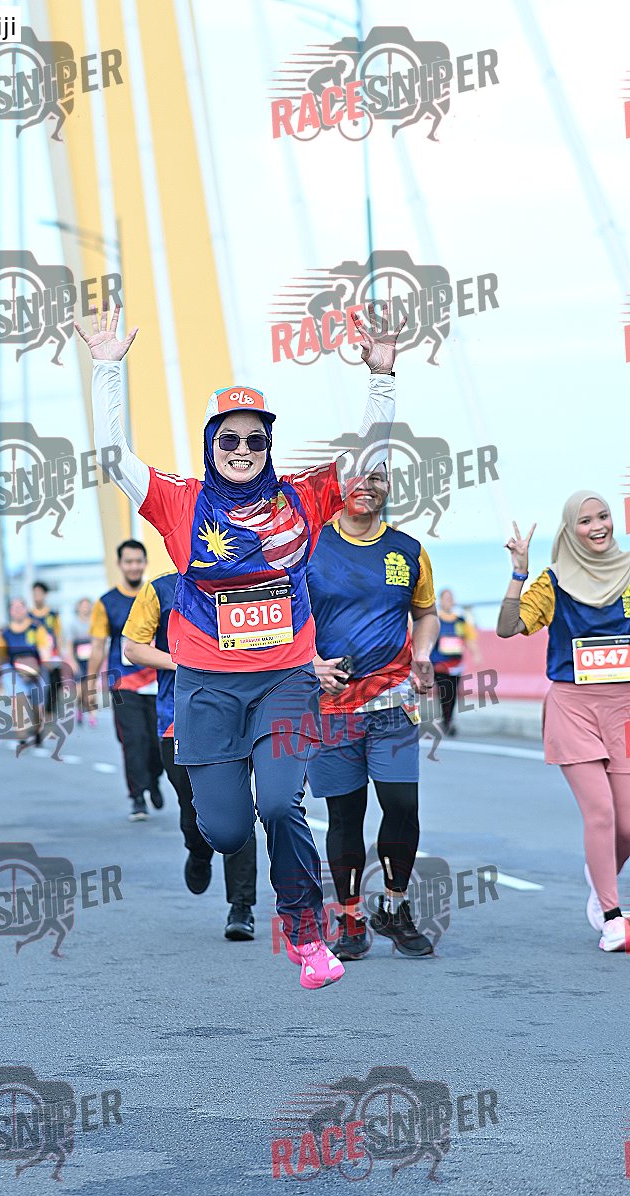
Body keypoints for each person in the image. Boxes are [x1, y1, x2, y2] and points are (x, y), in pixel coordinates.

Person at [76, 301, 403, 989]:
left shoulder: (302, 498)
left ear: (268, 445)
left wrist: (382, 378)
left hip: (284, 679)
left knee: (281, 804)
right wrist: (107, 369)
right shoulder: (180, 502)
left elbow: (369, 459)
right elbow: (112, 460)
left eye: (256, 439)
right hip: (206, 687)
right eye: (230, 439)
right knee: (226, 831)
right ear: (211, 444)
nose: (244, 450)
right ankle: (212, 845)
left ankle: (306, 933)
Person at [306, 452, 439, 961]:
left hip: (392, 700)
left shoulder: (408, 550)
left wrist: (422, 654)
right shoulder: (309, 544)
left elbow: (425, 614)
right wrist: (311, 662)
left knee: (402, 805)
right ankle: (350, 917)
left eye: (378, 476)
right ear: (338, 486)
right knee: (346, 815)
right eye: (357, 476)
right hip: (331, 705)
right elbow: (284, 617)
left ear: (388, 487)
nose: (368, 484)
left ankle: (396, 907)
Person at [498, 494, 630, 953]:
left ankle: (600, 879)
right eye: (586, 521)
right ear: (570, 530)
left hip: (624, 710)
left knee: (627, 824)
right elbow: (507, 628)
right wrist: (519, 572)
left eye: (604, 517)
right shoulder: (553, 583)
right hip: (573, 707)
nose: (598, 526)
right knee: (601, 812)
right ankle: (612, 917)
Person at [123, 571, 258, 939]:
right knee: (192, 809)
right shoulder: (160, 590)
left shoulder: (244, 583)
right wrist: (184, 662)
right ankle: (198, 851)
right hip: (178, 720)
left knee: (237, 807)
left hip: (237, 715)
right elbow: (132, 648)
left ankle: (241, 906)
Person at [88, 540, 163, 821]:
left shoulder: (155, 596)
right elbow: (98, 646)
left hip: (156, 681)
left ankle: (153, 778)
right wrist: (90, 685)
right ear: (119, 564)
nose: (134, 566)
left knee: (157, 742)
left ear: (145, 563)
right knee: (133, 741)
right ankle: (138, 797)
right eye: (128, 561)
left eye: (138, 561)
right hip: (123, 684)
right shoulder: (106, 603)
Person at [0, 599, 51, 752]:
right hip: (13, 670)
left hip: (35, 669)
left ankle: (37, 731)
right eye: (14, 608)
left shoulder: (36, 628)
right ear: (10, 611)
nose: (18, 611)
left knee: (38, 706)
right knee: (19, 700)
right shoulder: (4, 632)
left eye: (20, 607)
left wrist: (43, 665)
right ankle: (22, 736)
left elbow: (44, 650)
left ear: (25, 609)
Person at [431, 588, 481, 735]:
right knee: (444, 692)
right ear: (440, 600)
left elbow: (470, 639)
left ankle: (448, 719)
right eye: (445, 598)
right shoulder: (434, 620)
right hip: (439, 664)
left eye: (450, 598)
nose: (448, 601)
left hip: (455, 664)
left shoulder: (461, 621)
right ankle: (447, 720)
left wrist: (476, 654)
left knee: (452, 694)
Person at [30, 581, 64, 718]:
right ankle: (37, 710)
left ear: (45, 595)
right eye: (35, 593)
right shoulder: (29, 615)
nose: (37, 596)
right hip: (35, 656)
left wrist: (60, 653)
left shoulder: (52, 615)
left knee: (54, 682)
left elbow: (58, 634)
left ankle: (50, 710)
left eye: (39, 593)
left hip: (52, 654)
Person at [67, 597, 96, 727]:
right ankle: (79, 709)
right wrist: (72, 662)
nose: (85, 608)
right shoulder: (73, 624)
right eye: (83, 606)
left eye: (87, 605)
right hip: (78, 661)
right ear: (78, 608)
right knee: (79, 691)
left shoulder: (94, 623)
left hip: (91, 660)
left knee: (90, 689)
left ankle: (92, 715)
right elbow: (69, 644)